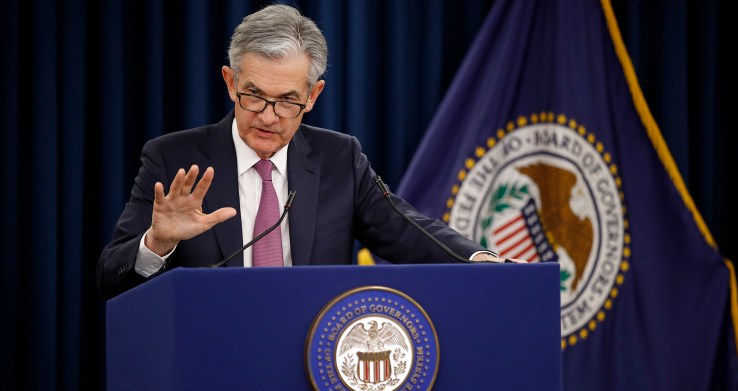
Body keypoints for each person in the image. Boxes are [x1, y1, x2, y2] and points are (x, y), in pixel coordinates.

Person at [96, 3, 512, 302]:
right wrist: (157, 244)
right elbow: (110, 279)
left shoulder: (339, 159)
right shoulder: (174, 160)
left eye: (287, 101)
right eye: (254, 96)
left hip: (312, 369)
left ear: (313, 96)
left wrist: (481, 261)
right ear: (229, 82)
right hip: (205, 366)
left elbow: (407, 229)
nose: (268, 117)